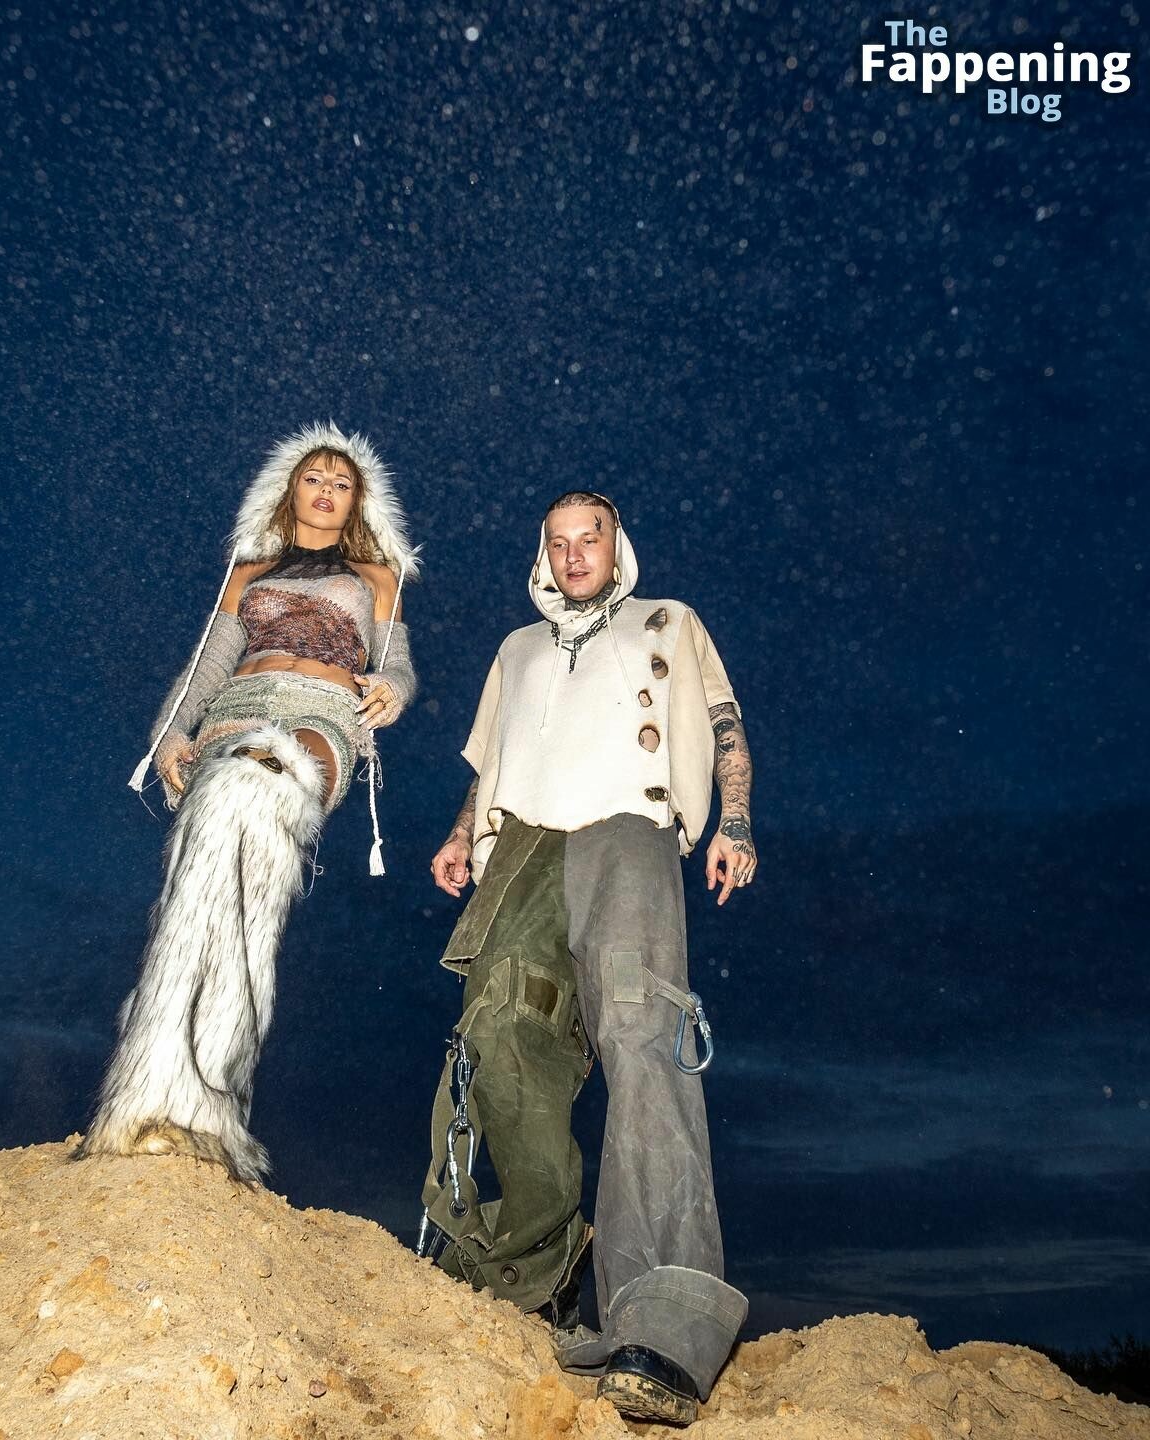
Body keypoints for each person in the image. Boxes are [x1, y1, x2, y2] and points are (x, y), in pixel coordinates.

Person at [417, 491, 755, 1426]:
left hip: (628, 829)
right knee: (500, 1041)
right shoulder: (516, 650)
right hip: (522, 848)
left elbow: (725, 725)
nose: (574, 555)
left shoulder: (668, 621)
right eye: (558, 543)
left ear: (617, 547)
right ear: (543, 555)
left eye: (589, 538)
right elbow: (489, 763)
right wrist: (463, 834)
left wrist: (734, 822)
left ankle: (665, 1323)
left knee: (643, 1039)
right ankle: (541, 1268)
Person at [75, 422, 419, 1183]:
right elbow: (206, 667)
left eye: (341, 483)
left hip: (323, 715)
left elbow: (396, 662)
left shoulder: (377, 576)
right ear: (289, 489)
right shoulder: (249, 572)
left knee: (254, 784)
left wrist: (393, 690)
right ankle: (167, 1104)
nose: (326, 491)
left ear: (357, 501)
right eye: (314, 478)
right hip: (236, 708)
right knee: (212, 889)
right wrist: (169, 736)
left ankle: (191, 1093)